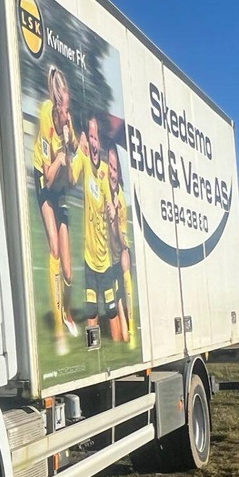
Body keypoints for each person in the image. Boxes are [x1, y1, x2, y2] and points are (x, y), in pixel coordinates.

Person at [67, 115, 126, 344]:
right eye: (90, 136)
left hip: (106, 261)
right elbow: (72, 178)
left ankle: (120, 343)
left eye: (95, 137)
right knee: (91, 309)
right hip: (90, 259)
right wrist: (72, 149)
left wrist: (112, 211)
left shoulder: (103, 171)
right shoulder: (82, 158)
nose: (93, 141)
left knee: (111, 311)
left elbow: (109, 204)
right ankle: (93, 351)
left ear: (100, 142)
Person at [32, 66, 79, 352]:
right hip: (44, 179)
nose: (67, 116)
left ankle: (67, 311)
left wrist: (70, 148)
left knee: (70, 271)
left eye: (69, 109)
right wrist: (61, 158)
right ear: (56, 104)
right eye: (64, 110)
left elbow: (70, 178)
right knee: (53, 249)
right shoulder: (44, 115)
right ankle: (60, 332)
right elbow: (48, 178)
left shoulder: (68, 124)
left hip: (59, 189)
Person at [107, 146, 137, 348]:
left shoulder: (121, 199)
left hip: (121, 248)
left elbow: (120, 239)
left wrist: (115, 217)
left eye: (115, 168)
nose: (112, 172)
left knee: (125, 268)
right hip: (108, 255)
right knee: (119, 337)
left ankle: (132, 328)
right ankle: (125, 333)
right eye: (110, 166)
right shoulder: (102, 188)